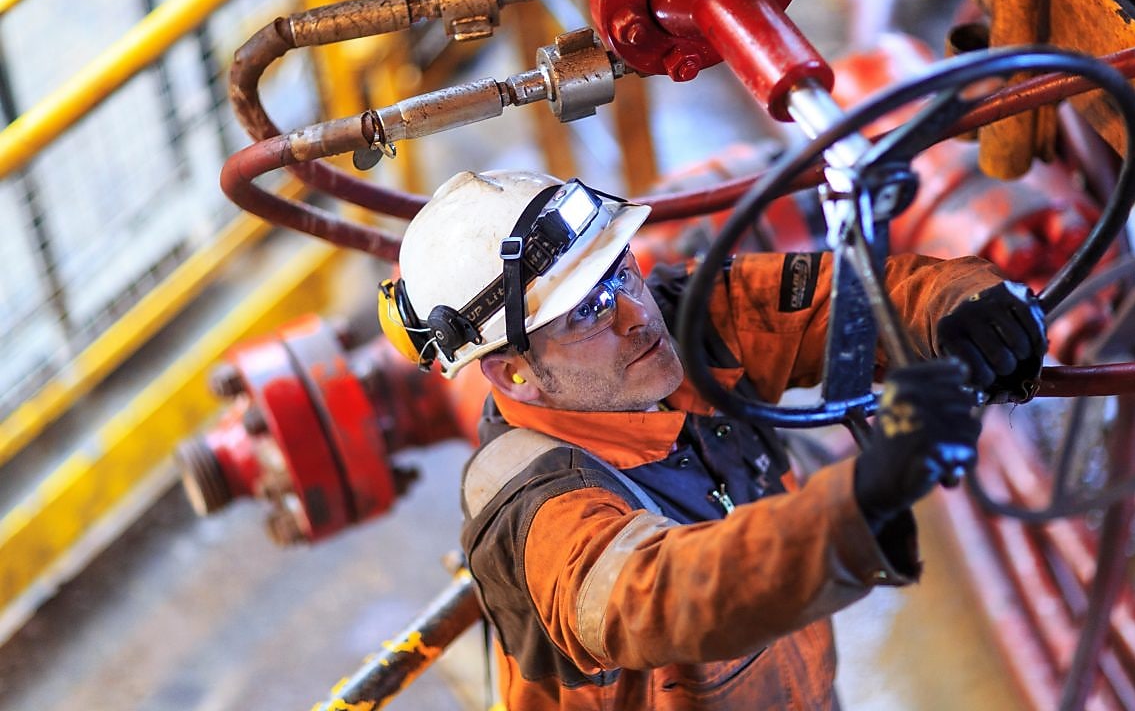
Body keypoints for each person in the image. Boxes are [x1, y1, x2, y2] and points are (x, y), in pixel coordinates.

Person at [378, 169, 1047, 710]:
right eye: (587, 311)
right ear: (513, 374)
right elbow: (659, 594)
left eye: (620, 269)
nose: (637, 315)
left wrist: (958, 306)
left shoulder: (680, 320)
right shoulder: (534, 507)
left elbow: (843, 300)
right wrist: (863, 496)